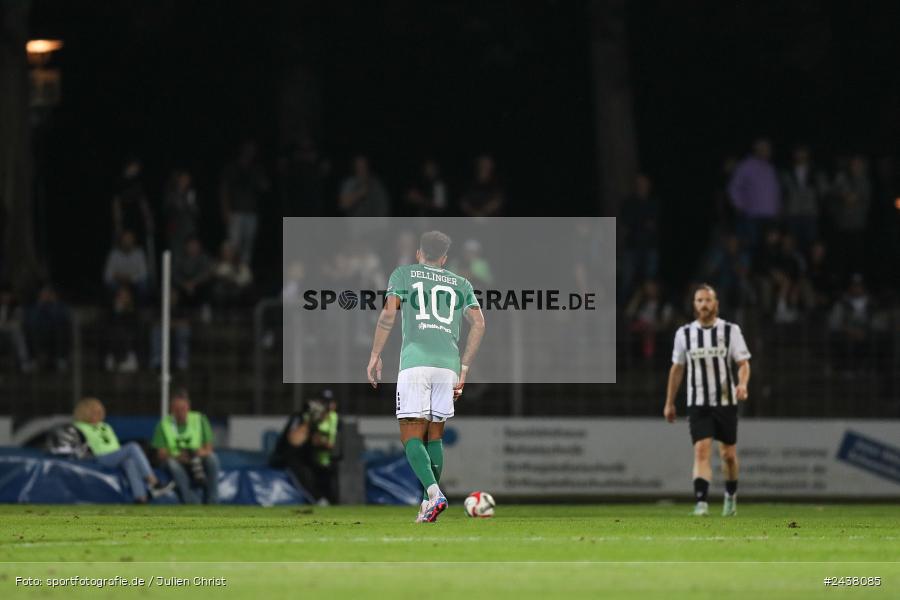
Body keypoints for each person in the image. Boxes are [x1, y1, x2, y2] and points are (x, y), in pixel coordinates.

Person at [367, 231, 486, 523]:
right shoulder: (461, 283)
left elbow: (387, 316)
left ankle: (434, 494)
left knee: (410, 434)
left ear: (419, 253)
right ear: (444, 259)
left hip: (416, 363)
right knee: (435, 434)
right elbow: (479, 324)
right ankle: (425, 505)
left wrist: (375, 355)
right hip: (448, 366)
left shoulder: (404, 274)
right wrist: (465, 367)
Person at [664, 284, 751, 517]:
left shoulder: (731, 331)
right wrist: (669, 402)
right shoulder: (684, 334)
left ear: (716, 304)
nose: (704, 304)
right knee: (701, 451)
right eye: (699, 300)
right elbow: (677, 369)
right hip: (698, 402)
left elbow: (743, 363)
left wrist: (742, 384)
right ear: (694, 305)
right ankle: (701, 502)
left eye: (708, 300)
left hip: (725, 402)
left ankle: (730, 496)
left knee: (728, 455)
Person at [72, 397, 174, 503]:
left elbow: (115, 445)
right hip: (99, 457)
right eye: (94, 412)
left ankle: (141, 498)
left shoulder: (105, 426)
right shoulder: (79, 427)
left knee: (129, 461)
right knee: (132, 446)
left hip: (113, 456)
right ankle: (154, 482)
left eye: (99, 411)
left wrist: (121, 454)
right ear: (86, 413)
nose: (98, 414)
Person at [151, 389, 219, 504]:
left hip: (197, 459)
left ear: (188, 407)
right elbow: (161, 453)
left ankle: (212, 500)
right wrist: (178, 457)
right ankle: (191, 501)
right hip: (176, 460)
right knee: (172, 464)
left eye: (182, 409)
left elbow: (209, 448)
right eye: (176, 410)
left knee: (212, 458)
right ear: (171, 410)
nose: (180, 413)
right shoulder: (164, 424)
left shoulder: (200, 419)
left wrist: (198, 454)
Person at [269, 398, 339, 504]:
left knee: (325, 468)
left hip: (305, 456)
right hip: (286, 457)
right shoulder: (300, 417)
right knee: (302, 469)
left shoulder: (322, 422)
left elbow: (319, 443)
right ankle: (318, 500)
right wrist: (308, 422)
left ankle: (331, 500)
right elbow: (294, 441)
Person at [220, 140, 269, 265]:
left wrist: (257, 176)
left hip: (252, 212)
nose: (249, 152)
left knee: (248, 243)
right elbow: (224, 189)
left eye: (252, 150)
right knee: (234, 243)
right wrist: (226, 210)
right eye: (247, 149)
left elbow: (265, 186)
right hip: (235, 211)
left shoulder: (256, 168)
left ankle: (244, 270)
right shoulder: (233, 167)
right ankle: (230, 269)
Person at [728, 138, 781, 250]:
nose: (767, 151)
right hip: (753, 215)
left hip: (770, 216)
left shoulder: (770, 168)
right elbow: (733, 187)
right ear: (757, 149)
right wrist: (739, 205)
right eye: (764, 148)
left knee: (769, 247)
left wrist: (777, 208)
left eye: (768, 149)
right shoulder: (746, 165)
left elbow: (775, 190)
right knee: (752, 247)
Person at [103, 230, 149, 297]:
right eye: (125, 239)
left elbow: (144, 274)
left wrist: (130, 278)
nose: (127, 242)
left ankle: (142, 306)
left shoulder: (139, 253)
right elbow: (107, 275)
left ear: (134, 240)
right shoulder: (114, 254)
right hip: (118, 282)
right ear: (121, 240)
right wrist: (120, 278)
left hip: (134, 282)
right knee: (110, 284)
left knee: (144, 284)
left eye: (129, 239)